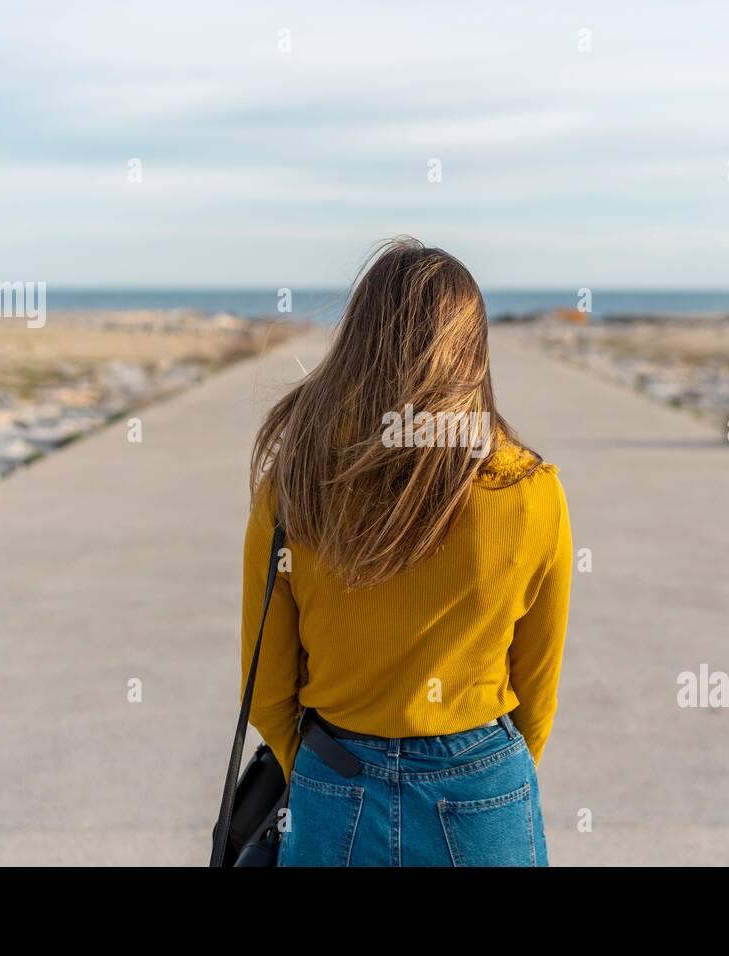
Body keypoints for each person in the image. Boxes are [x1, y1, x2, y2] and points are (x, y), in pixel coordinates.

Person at [241, 236, 573, 866]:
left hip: (335, 780)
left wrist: (326, 774)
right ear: (472, 349)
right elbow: (537, 691)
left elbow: (266, 689)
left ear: (359, 343)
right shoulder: (529, 491)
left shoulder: (296, 484)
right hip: (480, 789)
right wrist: (487, 776)